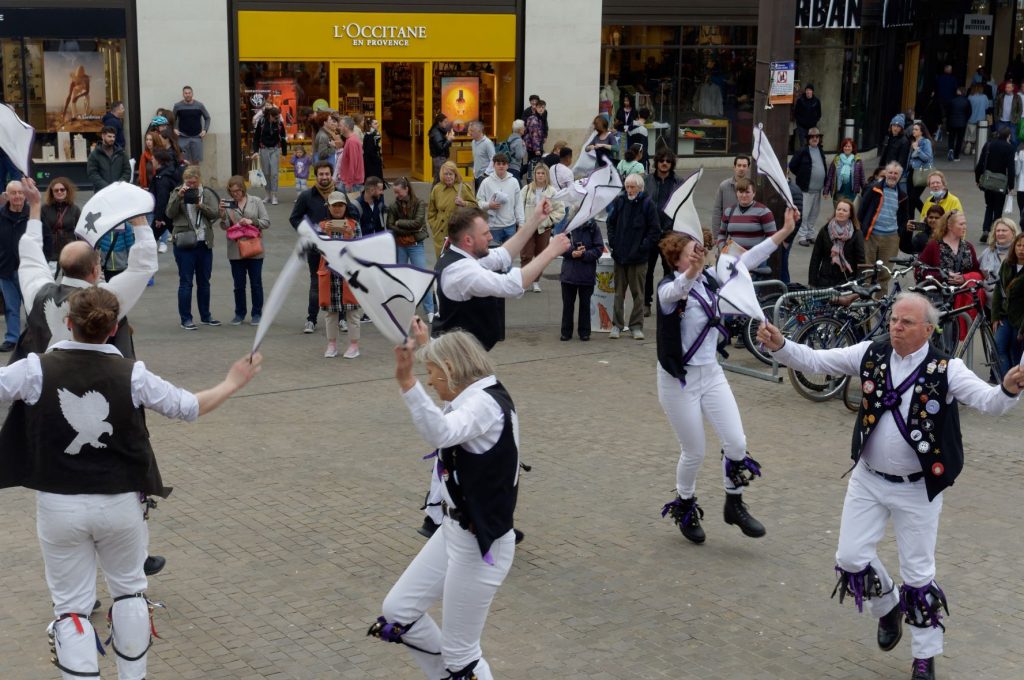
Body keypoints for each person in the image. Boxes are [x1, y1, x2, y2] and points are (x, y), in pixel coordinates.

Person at [0, 285, 262, 680]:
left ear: (67, 324)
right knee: (128, 593)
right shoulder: (132, 373)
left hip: (59, 506)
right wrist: (232, 381)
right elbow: (189, 407)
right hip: (121, 505)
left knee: (70, 606)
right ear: (112, 329)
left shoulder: (35, 368)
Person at [757, 292, 1023, 680]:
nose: (895, 327)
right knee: (849, 558)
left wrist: (1010, 389)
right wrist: (781, 345)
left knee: (918, 575)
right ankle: (887, 607)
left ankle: (924, 656)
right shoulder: (871, 353)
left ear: (928, 330)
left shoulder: (947, 369)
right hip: (867, 479)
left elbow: (988, 402)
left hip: (918, 489)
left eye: (906, 322)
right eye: (894, 319)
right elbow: (815, 360)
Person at [372, 325, 519, 680]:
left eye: (432, 374)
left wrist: (408, 383)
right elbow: (454, 407)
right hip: (454, 532)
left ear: (451, 369)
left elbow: (442, 430)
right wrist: (429, 347)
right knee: (398, 612)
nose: (432, 383)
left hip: (480, 545)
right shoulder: (475, 393)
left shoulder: (485, 404)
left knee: (462, 654)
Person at [658, 207, 798, 544]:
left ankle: (733, 503)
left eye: (699, 248)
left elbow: (747, 261)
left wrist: (785, 230)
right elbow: (676, 290)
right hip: (679, 380)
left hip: (712, 374)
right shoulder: (668, 290)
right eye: (691, 250)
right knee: (694, 452)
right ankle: (686, 505)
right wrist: (689, 273)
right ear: (677, 260)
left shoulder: (711, 279)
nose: (699, 253)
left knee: (737, 443)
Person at [433, 202, 570, 351]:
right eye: (485, 233)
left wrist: (536, 219)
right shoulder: (461, 270)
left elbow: (502, 256)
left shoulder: (460, 254)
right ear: (468, 240)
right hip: (454, 358)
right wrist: (550, 252)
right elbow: (511, 285)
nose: (491, 237)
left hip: (459, 354)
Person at [290, 161, 348, 334]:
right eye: (321, 174)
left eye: (327, 174)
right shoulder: (306, 196)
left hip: (337, 248)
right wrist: (310, 231)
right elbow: (294, 218)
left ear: (331, 175)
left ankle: (342, 318)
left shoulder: (340, 194)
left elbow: (352, 214)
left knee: (340, 282)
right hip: (315, 249)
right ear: (315, 176)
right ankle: (311, 319)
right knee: (316, 283)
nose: (324, 177)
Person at [166, 166, 221, 330]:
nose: (191, 186)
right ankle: (186, 319)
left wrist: (200, 205)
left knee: (204, 282)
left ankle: (206, 316)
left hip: (204, 243)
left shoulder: (207, 193)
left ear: (199, 180)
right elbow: (169, 213)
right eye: (188, 183)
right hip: (184, 243)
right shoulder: (177, 192)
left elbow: (215, 214)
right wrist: (179, 197)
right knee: (186, 283)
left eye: (194, 183)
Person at [607, 173, 660, 340]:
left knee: (639, 294)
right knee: (618, 293)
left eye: (632, 187)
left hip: (638, 258)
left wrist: (643, 248)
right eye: (627, 186)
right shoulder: (620, 201)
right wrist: (613, 243)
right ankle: (617, 325)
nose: (629, 190)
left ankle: (636, 326)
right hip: (620, 256)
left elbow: (655, 230)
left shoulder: (647, 204)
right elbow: (610, 223)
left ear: (640, 188)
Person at [218, 175, 269, 326]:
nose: (235, 194)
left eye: (238, 191)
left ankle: (257, 313)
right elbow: (225, 227)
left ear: (243, 189)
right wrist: (221, 214)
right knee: (239, 285)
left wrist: (251, 221)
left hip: (254, 248)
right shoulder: (229, 205)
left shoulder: (256, 201)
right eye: (232, 191)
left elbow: (266, 222)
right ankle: (239, 313)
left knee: (256, 283)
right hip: (235, 250)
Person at [318, 193, 362, 360]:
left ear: (345, 207)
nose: (337, 208)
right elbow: (316, 248)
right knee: (330, 312)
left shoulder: (353, 224)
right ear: (328, 207)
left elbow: (359, 249)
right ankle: (332, 344)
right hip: (329, 274)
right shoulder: (322, 225)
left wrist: (350, 235)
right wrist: (325, 232)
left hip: (349, 274)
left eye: (340, 205)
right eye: (334, 205)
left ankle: (354, 345)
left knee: (353, 311)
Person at [857, 162, 909, 294]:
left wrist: (899, 233)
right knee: (866, 271)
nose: (892, 175)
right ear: (886, 173)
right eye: (890, 172)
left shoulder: (902, 195)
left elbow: (904, 218)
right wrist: (861, 230)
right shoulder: (873, 188)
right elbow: (861, 210)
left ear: (900, 176)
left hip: (891, 238)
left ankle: (880, 307)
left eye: (896, 173)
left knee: (884, 274)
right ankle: (862, 307)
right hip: (870, 235)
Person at [386, 177, 434, 320]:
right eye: (395, 192)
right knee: (401, 279)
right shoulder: (394, 206)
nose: (396, 195)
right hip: (401, 244)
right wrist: (409, 229)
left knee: (422, 277)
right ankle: (405, 309)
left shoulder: (419, 203)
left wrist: (399, 222)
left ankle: (430, 310)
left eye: (398, 192)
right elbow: (389, 226)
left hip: (415, 245)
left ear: (406, 189)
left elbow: (418, 223)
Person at [643, 150, 682, 315]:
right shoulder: (647, 180)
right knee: (647, 270)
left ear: (672, 163)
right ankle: (646, 303)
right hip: (650, 231)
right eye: (661, 160)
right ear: (656, 163)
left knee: (670, 270)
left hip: (670, 233)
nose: (664, 163)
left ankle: (667, 301)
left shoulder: (679, 182)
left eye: (668, 161)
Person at [518, 164, 565, 292]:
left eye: (543, 173)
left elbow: (560, 211)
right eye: (538, 173)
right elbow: (518, 207)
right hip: (528, 227)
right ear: (534, 175)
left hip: (544, 229)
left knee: (540, 256)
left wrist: (548, 220)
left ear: (546, 176)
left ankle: (536, 282)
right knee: (526, 256)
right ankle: (524, 281)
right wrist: (521, 223)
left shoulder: (552, 191)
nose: (540, 175)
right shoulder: (526, 189)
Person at [0, 180, 32, 351]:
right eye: (13, 193)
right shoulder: (1, 215)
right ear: (7, 196)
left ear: (25, 195)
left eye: (20, 192)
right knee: (11, 307)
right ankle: (12, 338)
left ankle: (31, 337)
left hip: (27, 270)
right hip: (5, 269)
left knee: (30, 306)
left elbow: (46, 238)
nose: (17, 196)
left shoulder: (32, 214)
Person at [559, 218, 603, 341]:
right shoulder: (568, 226)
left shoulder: (594, 227)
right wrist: (571, 253)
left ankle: (584, 332)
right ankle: (566, 332)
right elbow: (559, 245)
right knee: (568, 304)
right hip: (569, 273)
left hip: (586, 273)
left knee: (585, 304)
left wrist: (585, 254)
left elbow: (599, 248)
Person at [808, 198, 866, 288]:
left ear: (850, 214)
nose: (840, 212)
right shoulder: (825, 230)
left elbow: (861, 261)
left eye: (844, 210)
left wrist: (858, 283)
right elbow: (816, 257)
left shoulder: (856, 234)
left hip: (847, 281)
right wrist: (812, 282)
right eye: (838, 209)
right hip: (825, 279)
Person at [427, 161, 478, 258]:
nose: (448, 177)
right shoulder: (437, 189)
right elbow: (431, 211)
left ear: (455, 174)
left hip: (457, 232)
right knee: (441, 263)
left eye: (451, 174)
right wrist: (434, 225)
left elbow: (475, 207)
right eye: (446, 174)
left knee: (457, 263)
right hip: (440, 233)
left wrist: (464, 203)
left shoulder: (463, 188)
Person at [991, 232, 1024, 378]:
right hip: (1005, 316)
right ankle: (1005, 381)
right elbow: (999, 289)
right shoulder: (1007, 263)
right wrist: (995, 315)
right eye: (1019, 245)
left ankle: (1016, 384)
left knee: (1016, 353)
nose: (1021, 249)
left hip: (1020, 320)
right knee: (998, 347)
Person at [717, 178, 778, 254]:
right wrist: (723, 248)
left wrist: (760, 252)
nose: (744, 195)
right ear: (737, 193)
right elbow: (721, 234)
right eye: (741, 192)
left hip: (756, 259)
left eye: (747, 192)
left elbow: (773, 238)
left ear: (754, 193)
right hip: (733, 257)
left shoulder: (764, 212)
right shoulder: (729, 211)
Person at [975, 126, 1015, 242]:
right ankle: (995, 231)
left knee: (989, 206)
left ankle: (986, 229)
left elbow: (980, 163)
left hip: (987, 181)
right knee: (998, 208)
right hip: (1001, 183)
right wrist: (1011, 186)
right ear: (1008, 136)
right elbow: (1011, 168)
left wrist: (978, 180)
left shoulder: (989, 144)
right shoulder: (1009, 148)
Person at [789, 127, 828, 245]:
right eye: (812, 137)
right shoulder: (803, 151)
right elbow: (792, 165)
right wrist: (802, 176)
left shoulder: (820, 151)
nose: (815, 139)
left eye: (817, 137)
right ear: (808, 139)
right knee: (804, 214)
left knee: (814, 213)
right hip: (806, 189)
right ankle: (802, 236)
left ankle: (810, 234)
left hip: (817, 190)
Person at [475, 153, 523, 246]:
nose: (501, 166)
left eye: (503, 164)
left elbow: (518, 204)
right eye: (498, 164)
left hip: (510, 227)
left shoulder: (514, 182)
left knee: (509, 258)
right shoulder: (486, 182)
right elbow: (478, 203)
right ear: (494, 165)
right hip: (493, 228)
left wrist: (521, 224)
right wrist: (489, 205)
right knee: (494, 259)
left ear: (507, 165)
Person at [251, 104, 287, 206]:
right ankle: (267, 195)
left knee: (274, 174)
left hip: (275, 149)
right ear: (270, 115)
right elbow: (256, 137)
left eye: (278, 117)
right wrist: (255, 151)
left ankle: (274, 195)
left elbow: (283, 138)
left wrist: (284, 153)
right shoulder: (262, 122)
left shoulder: (279, 123)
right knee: (266, 173)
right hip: (264, 149)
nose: (276, 119)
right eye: (275, 117)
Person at [40, 178, 80, 265]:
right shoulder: (44, 209)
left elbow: (80, 231)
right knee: (51, 277)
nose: (59, 192)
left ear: (67, 191)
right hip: (51, 249)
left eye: (62, 189)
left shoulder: (74, 209)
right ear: (52, 193)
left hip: (69, 249)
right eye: (56, 190)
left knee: (70, 277)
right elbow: (41, 230)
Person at [711, 155, 751, 241]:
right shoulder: (724, 186)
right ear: (734, 167)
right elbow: (717, 211)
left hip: (747, 234)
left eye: (744, 166)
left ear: (748, 168)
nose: (741, 168)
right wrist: (716, 236)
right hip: (726, 235)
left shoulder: (752, 187)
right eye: (739, 165)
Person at [149, 150, 180, 254]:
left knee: (149, 240)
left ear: (158, 161)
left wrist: (158, 218)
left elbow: (162, 198)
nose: (151, 160)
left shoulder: (162, 178)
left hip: (165, 215)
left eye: (153, 158)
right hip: (170, 214)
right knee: (178, 240)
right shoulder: (167, 173)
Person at [979, 218, 1020, 297]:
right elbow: (978, 271)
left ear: (1013, 233)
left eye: (1004, 230)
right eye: (998, 231)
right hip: (990, 302)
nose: (1000, 233)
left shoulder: (1019, 251)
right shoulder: (987, 252)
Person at [172, 85, 211, 164]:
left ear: (192, 94)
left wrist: (205, 130)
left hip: (197, 137)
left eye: (189, 93)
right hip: (183, 137)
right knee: (183, 161)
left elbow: (207, 118)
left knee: (196, 162)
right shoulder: (177, 106)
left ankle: (195, 176)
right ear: (183, 94)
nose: (188, 95)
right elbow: (172, 119)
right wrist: (174, 128)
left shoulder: (199, 105)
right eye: (186, 93)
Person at [823, 138, 866, 207]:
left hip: (852, 194)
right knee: (840, 213)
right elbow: (830, 176)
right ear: (842, 147)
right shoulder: (836, 159)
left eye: (849, 146)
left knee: (851, 214)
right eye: (845, 146)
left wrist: (866, 191)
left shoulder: (857, 161)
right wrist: (826, 191)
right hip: (839, 193)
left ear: (852, 148)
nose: (847, 148)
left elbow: (862, 178)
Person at [86, 126, 131, 191]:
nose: (112, 139)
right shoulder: (94, 154)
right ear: (103, 136)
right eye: (109, 136)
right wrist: (106, 187)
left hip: (119, 191)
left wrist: (119, 185)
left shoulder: (121, 153)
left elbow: (127, 171)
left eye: (114, 137)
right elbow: (93, 174)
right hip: (102, 192)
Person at [907, 122, 935, 213]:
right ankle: (910, 222)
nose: (913, 131)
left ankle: (927, 215)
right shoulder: (913, 142)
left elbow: (927, 157)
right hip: (912, 172)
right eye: (913, 129)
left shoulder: (925, 142)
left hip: (922, 172)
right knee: (910, 199)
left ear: (922, 132)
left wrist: (917, 150)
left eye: (916, 129)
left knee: (913, 197)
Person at [878, 115, 912, 188]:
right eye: (894, 125)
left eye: (898, 126)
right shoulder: (888, 137)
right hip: (885, 168)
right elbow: (884, 155)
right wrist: (880, 168)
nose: (895, 128)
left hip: (894, 172)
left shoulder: (904, 141)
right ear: (891, 126)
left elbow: (902, 161)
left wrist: (895, 173)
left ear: (902, 128)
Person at [337, 116, 365, 194]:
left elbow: (353, 163)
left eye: (340, 125)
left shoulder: (352, 141)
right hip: (350, 181)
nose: (339, 127)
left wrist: (349, 183)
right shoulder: (351, 140)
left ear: (346, 127)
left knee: (351, 204)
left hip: (352, 183)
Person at [964, 83, 990, 156]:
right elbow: (987, 107)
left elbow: (967, 108)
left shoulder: (970, 97)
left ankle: (968, 144)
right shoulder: (984, 97)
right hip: (981, 120)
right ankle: (974, 149)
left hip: (970, 119)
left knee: (969, 134)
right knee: (978, 136)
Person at [793, 84, 822, 149]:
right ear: (805, 91)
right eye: (807, 90)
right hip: (801, 126)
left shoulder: (816, 101)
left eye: (810, 90)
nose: (808, 92)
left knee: (812, 143)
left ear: (812, 92)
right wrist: (800, 121)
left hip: (812, 126)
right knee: (802, 144)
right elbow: (796, 113)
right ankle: (803, 157)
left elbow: (819, 114)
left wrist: (814, 121)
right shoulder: (800, 100)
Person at [428, 113, 454, 184]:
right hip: (439, 158)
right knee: (439, 179)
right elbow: (440, 148)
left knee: (438, 179)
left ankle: (434, 194)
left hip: (440, 157)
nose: (447, 123)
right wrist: (448, 140)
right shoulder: (436, 133)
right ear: (439, 122)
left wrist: (448, 139)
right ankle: (435, 194)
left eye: (447, 121)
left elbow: (442, 145)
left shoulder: (440, 131)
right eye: (445, 122)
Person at [469, 121, 494, 191]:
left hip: (484, 176)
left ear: (479, 131)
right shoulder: (473, 142)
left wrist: (486, 173)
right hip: (476, 176)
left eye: (472, 131)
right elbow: (476, 158)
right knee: (477, 197)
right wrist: (474, 172)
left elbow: (493, 159)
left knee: (483, 198)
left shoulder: (488, 143)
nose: (470, 133)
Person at [946, 87, 970, 161]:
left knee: (951, 138)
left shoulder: (952, 100)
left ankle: (951, 149)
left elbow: (948, 112)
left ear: (959, 92)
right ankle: (956, 156)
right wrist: (965, 119)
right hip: (962, 123)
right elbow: (969, 112)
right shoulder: (967, 101)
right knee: (959, 139)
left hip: (952, 122)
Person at [362, 117, 384, 183]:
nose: (378, 125)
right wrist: (377, 159)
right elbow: (369, 150)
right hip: (372, 163)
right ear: (370, 125)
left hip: (371, 161)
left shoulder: (373, 134)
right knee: (374, 181)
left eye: (377, 123)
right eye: (375, 123)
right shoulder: (371, 135)